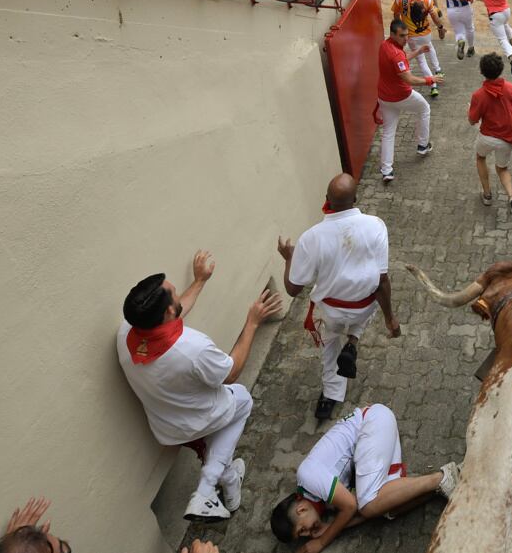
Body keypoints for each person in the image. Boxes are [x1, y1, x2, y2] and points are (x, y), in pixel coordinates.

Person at [117, 251, 282, 520]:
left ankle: (229, 485)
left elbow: (175, 310)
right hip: (201, 419)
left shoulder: (127, 332)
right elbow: (232, 372)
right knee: (241, 399)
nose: (177, 293)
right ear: (169, 310)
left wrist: (200, 281)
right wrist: (252, 323)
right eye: (173, 292)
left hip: (167, 426)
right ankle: (206, 488)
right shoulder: (192, 349)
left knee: (218, 447)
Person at [277, 174, 401, 420]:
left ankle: (331, 396)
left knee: (330, 345)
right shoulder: (376, 225)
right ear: (356, 199)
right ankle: (353, 341)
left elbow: (293, 289)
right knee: (363, 313)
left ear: (327, 200)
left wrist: (289, 256)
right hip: (365, 305)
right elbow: (382, 281)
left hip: (331, 311)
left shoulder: (311, 238)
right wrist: (390, 319)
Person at [270, 405, 460, 551]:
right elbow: (360, 513)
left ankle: (442, 477)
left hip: (373, 422)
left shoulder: (307, 476)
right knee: (386, 509)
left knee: (368, 503)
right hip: (375, 438)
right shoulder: (323, 502)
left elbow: (352, 506)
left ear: (301, 509)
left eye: (302, 530)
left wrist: (322, 540)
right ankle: (442, 486)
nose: (308, 534)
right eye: (304, 536)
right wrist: (332, 526)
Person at [377, 19, 440, 183]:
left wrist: (418, 52)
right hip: (401, 96)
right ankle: (422, 145)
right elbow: (409, 78)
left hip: (384, 97)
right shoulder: (396, 53)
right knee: (424, 109)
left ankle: (387, 171)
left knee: (388, 132)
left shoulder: (385, 45)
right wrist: (429, 79)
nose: (406, 39)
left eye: (407, 35)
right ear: (393, 34)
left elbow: (401, 62)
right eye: (402, 36)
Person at [468, 53, 512, 223]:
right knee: (502, 169)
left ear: (482, 72)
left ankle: (487, 195)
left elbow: (472, 120)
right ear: (501, 69)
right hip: (507, 139)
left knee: (480, 157)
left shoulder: (478, 95)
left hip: (487, 137)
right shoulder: (510, 87)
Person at [392, 0, 447, 95]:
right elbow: (435, 17)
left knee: (421, 61)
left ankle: (433, 85)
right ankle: (437, 70)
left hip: (410, 36)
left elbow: (396, 16)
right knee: (430, 47)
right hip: (425, 34)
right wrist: (441, 27)